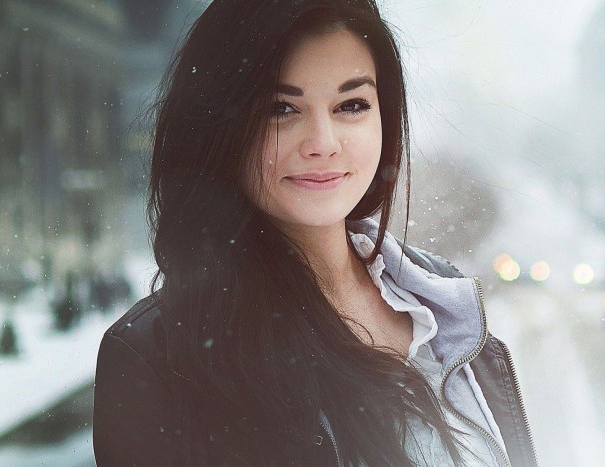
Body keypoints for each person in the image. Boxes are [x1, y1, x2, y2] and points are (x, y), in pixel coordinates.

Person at [92, 0, 537, 465]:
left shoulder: (441, 304)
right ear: (217, 128)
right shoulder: (158, 357)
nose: (323, 143)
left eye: (351, 105)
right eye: (281, 109)